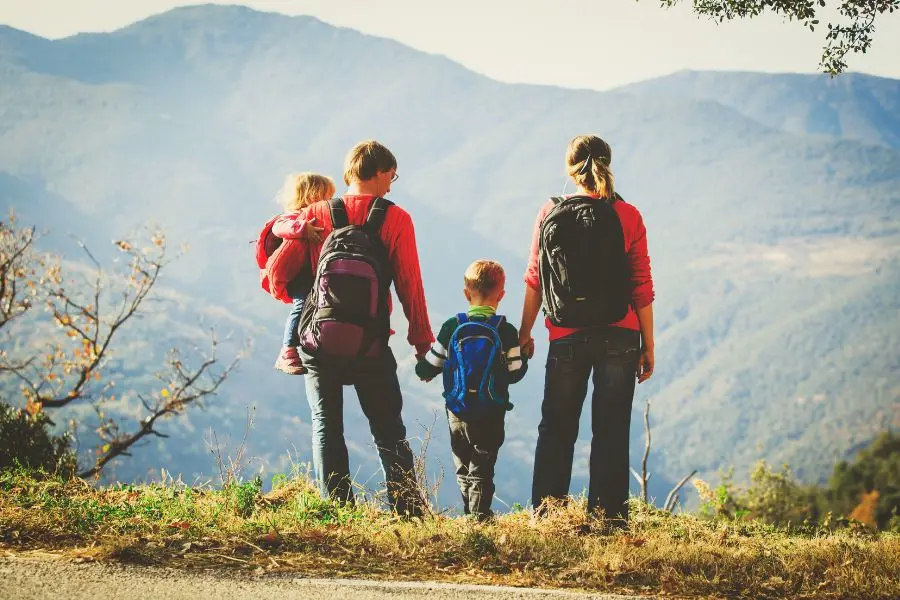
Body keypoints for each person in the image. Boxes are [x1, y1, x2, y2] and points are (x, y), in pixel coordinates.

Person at [268, 140, 433, 516]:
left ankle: (338, 513)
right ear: (377, 173)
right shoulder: (396, 219)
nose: (392, 184)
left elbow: (277, 273)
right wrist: (422, 342)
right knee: (388, 429)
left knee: (326, 425)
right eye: (391, 175)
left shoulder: (315, 214)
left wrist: (300, 296)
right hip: (371, 344)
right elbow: (410, 284)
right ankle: (408, 512)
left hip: (319, 342)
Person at [519, 134, 655, 527]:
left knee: (557, 426)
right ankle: (609, 518)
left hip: (565, 335)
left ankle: (547, 515)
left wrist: (525, 332)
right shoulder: (628, 215)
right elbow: (640, 283)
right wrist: (648, 344)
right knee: (611, 427)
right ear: (609, 164)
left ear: (569, 169)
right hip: (620, 334)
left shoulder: (550, 211)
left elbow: (535, 278)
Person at [415, 260, 528, 520]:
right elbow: (515, 373)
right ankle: (479, 517)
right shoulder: (506, 331)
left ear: (467, 293)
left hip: (457, 410)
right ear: (501, 295)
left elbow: (428, 368)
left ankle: (470, 512)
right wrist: (525, 355)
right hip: (491, 410)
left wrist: (422, 369)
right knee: (483, 466)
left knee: (463, 464)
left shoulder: (451, 327)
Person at [268, 173, 335, 375]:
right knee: (301, 305)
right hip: (299, 274)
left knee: (314, 307)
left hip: (315, 272)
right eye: (326, 197)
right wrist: (302, 228)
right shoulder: (291, 217)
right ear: (311, 196)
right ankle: (287, 350)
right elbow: (279, 228)